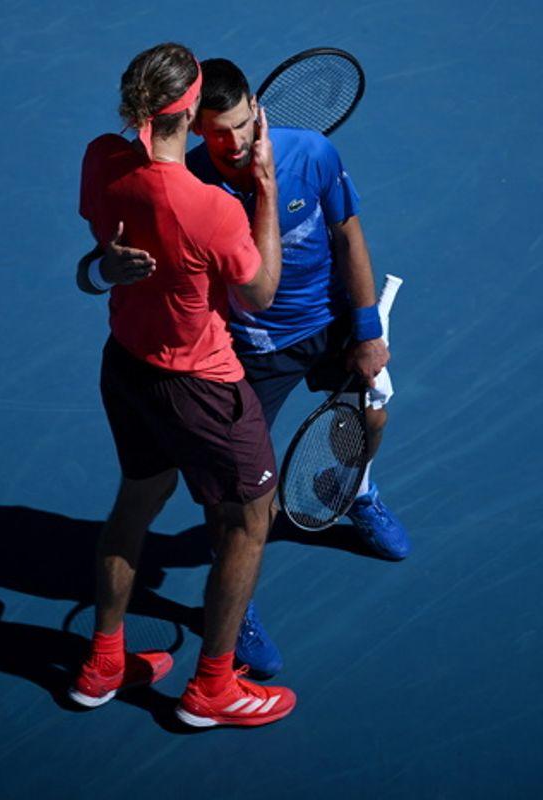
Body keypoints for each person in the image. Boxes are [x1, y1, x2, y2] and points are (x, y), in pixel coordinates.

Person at [82, 58, 411, 679]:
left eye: (239, 125)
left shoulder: (312, 153)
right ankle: (233, 606)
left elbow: (349, 237)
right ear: (194, 129)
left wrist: (366, 329)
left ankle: (359, 494)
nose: (231, 143)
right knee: (234, 501)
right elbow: (252, 290)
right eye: (215, 132)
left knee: (371, 414)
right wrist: (102, 267)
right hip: (253, 350)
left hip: (330, 321)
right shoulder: (194, 184)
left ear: (259, 108)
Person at [70, 43, 296, 728]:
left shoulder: (101, 161)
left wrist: (103, 272)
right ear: (192, 110)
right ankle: (213, 689)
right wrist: (265, 190)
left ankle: (103, 662)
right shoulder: (209, 209)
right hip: (200, 386)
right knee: (250, 519)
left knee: (137, 498)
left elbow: (98, 258)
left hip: (126, 366)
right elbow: (259, 291)